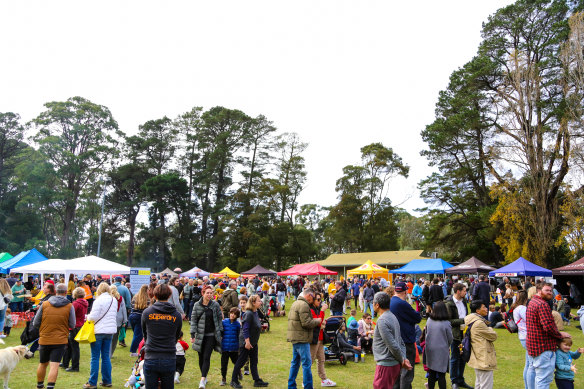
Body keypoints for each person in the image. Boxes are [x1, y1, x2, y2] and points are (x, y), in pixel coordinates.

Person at [525, 282, 571, 389]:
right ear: (539, 291)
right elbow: (548, 327)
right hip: (543, 348)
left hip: (533, 346)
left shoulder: (532, 302)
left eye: (551, 291)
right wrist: (560, 335)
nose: (550, 293)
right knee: (544, 380)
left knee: (536, 375)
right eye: (547, 290)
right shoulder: (542, 305)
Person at [33, 283, 75, 389]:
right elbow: (72, 324)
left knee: (43, 363)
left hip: (45, 338)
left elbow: (35, 323)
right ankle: (50, 386)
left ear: (56, 291)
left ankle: (40, 385)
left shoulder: (45, 304)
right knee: (54, 365)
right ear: (66, 292)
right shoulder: (70, 306)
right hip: (60, 340)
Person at [141, 283, 182, 389]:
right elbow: (176, 336)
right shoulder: (176, 315)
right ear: (169, 296)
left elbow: (145, 334)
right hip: (168, 357)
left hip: (151, 357)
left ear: (155, 295)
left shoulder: (147, 313)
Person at [372, 292, 411, 389]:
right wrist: (403, 358)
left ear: (377, 305)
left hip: (386, 364)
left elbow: (393, 344)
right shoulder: (393, 317)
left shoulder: (382, 320)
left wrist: (402, 359)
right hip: (393, 364)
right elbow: (400, 341)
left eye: (373, 302)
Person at [83, 282, 118, 389]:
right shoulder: (114, 300)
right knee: (106, 357)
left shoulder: (98, 300)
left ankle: (92, 382)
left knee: (95, 357)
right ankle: (107, 380)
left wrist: (87, 317)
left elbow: (93, 316)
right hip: (110, 331)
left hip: (98, 331)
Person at [230, 295, 269, 388]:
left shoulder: (255, 312)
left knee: (254, 361)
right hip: (246, 342)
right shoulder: (249, 313)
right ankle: (233, 380)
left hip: (253, 342)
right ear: (253, 303)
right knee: (241, 361)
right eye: (259, 301)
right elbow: (245, 329)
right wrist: (247, 342)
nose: (261, 302)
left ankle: (256, 380)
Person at [287, 288, 322, 389]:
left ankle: (291, 385)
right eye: (314, 297)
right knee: (306, 364)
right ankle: (308, 386)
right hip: (302, 338)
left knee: (295, 363)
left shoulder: (295, 303)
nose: (314, 299)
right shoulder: (304, 305)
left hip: (295, 337)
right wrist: (317, 321)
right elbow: (306, 323)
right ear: (309, 296)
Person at [190, 285, 223, 389]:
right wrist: (192, 334)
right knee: (200, 357)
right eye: (207, 293)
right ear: (202, 293)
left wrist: (220, 332)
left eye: (211, 293)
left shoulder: (215, 305)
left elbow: (219, 319)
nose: (210, 295)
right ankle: (204, 375)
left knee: (206, 356)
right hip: (200, 335)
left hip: (211, 335)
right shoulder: (196, 305)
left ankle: (202, 379)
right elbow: (193, 320)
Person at [390, 282, 421, 389]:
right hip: (406, 340)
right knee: (407, 371)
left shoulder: (391, 301)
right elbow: (417, 317)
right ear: (405, 291)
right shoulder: (402, 304)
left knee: (397, 371)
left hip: (395, 340)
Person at [464, 300, 497, 389]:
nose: (486, 309)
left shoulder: (470, 319)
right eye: (484, 307)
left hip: (476, 354)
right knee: (486, 384)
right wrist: (490, 329)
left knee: (479, 383)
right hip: (483, 356)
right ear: (477, 311)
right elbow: (493, 336)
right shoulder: (478, 323)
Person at [445, 282, 472, 389]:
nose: (466, 293)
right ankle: (454, 380)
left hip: (464, 333)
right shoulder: (449, 303)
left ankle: (460, 379)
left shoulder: (464, 301)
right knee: (455, 358)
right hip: (454, 334)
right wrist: (464, 320)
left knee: (463, 357)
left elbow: (466, 314)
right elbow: (449, 321)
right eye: (464, 291)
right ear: (458, 291)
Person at [309, 292, 336, 387]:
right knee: (310, 361)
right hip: (314, 338)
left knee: (321, 359)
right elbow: (318, 323)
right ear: (313, 300)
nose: (320, 302)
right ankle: (306, 381)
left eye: (321, 299)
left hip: (320, 338)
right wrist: (323, 311)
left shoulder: (317, 310)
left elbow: (322, 323)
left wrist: (322, 322)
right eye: (318, 300)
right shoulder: (311, 310)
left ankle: (324, 379)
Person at [424, 301, 453, 389]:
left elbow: (426, 333)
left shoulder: (429, 320)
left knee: (431, 372)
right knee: (441, 374)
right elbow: (450, 338)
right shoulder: (446, 323)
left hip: (430, 348)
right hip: (442, 349)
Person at [62, 287, 88, 372]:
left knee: (73, 347)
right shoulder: (85, 302)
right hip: (80, 325)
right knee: (70, 345)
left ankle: (75, 366)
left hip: (74, 326)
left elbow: (70, 314)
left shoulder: (76, 303)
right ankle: (65, 362)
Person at [511, 290, 530, 387]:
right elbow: (530, 320)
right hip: (526, 336)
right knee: (530, 365)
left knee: (528, 363)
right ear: (526, 298)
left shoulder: (516, 308)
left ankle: (528, 386)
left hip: (522, 336)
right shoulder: (522, 308)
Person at [221, 307, 241, 386]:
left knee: (236, 363)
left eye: (234, 314)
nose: (232, 315)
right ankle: (223, 378)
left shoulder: (237, 325)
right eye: (231, 313)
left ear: (237, 316)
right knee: (224, 365)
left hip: (234, 348)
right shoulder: (224, 322)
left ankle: (238, 373)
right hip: (225, 348)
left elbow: (239, 335)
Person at [129, 284, 149, 357]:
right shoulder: (147, 299)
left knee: (136, 334)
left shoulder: (135, 297)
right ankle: (133, 351)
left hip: (132, 316)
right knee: (138, 335)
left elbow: (131, 305)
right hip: (140, 317)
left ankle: (138, 348)